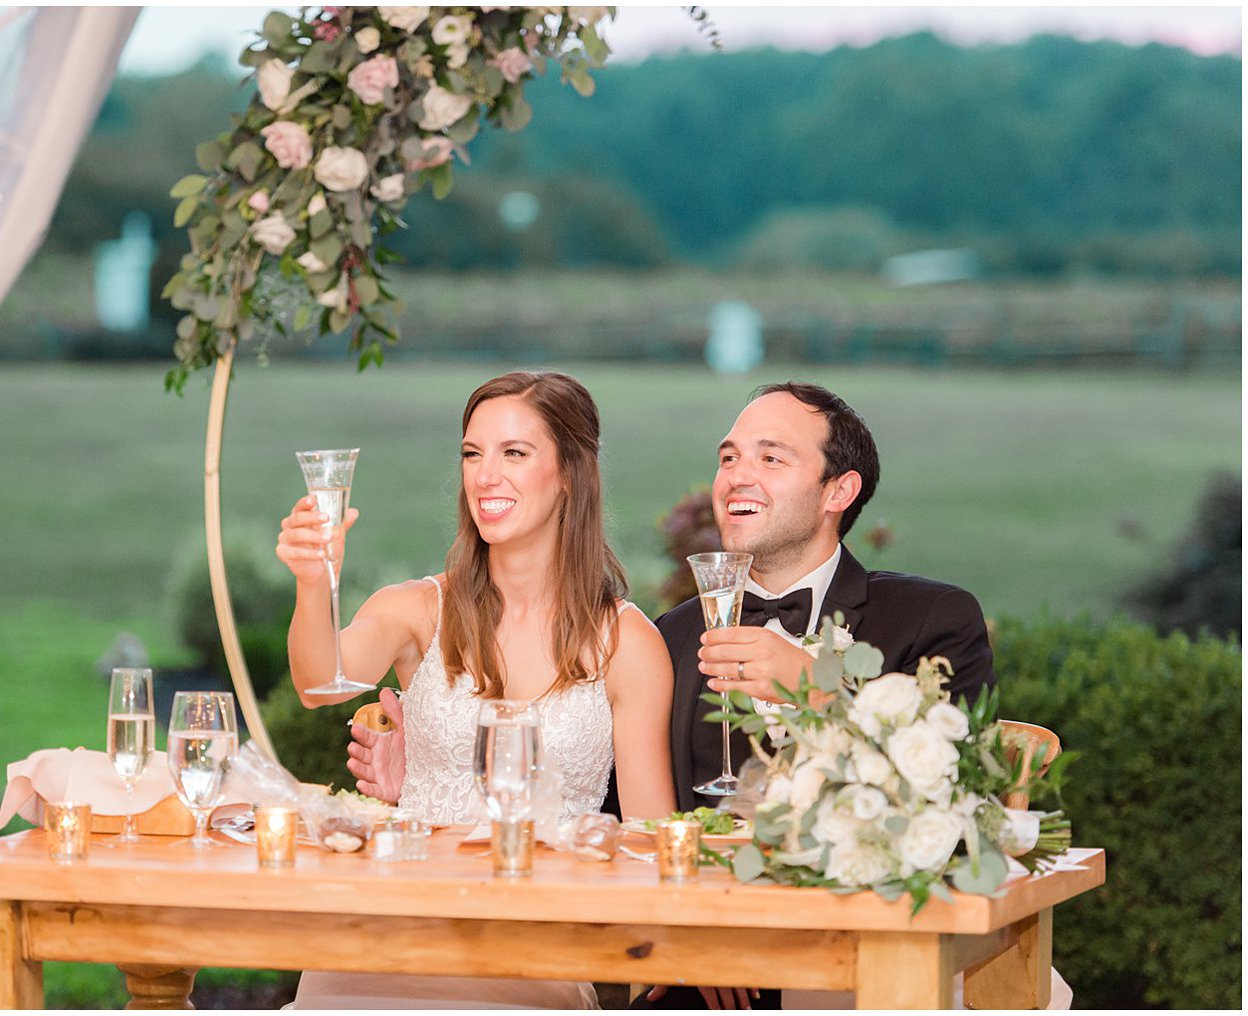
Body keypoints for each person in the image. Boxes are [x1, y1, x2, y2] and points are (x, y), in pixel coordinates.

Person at [351, 381, 999, 1010]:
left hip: (873, 945)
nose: (738, 475)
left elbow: (960, 795)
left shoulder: (930, 617)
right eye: (728, 457)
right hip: (706, 973)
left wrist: (819, 690)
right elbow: (608, 809)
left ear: (840, 490)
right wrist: (442, 771)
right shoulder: (674, 634)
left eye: (770, 458)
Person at [277, 370, 677, 1010]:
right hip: (378, 945)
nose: (485, 476)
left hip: (531, 960)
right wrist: (311, 580)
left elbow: (651, 841)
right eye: (472, 453)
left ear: (571, 472)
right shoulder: (417, 610)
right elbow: (321, 684)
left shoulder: (626, 643)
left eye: (514, 453)